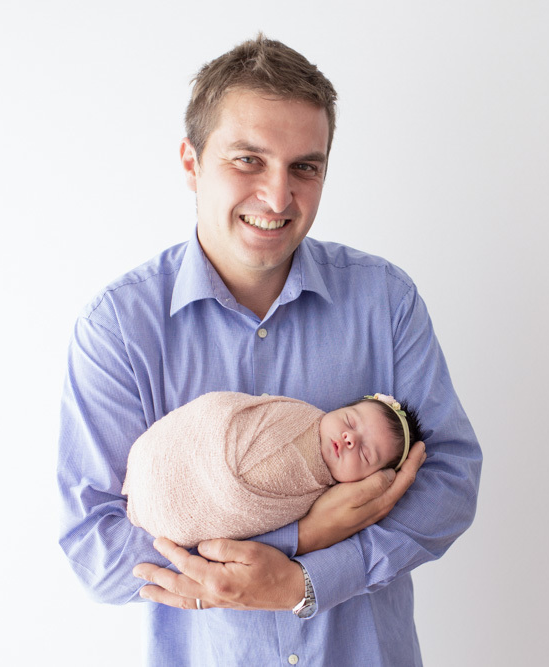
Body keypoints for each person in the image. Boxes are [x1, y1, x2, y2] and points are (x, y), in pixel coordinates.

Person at [57, 33, 481, 666]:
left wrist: (310, 580)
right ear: (191, 162)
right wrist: (302, 539)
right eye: (248, 160)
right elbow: (94, 544)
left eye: (305, 167)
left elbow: (449, 480)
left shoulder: (384, 300)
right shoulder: (118, 328)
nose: (279, 198)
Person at [123, 391, 423, 546]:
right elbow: (222, 410)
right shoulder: (295, 413)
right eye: (350, 420)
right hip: (197, 442)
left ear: (370, 481)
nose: (349, 438)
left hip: (212, 505)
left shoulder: (320, 500)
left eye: (366, 454)